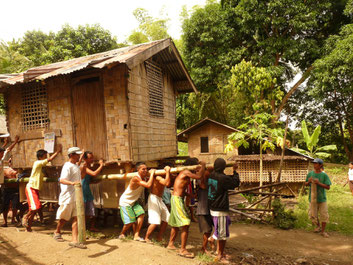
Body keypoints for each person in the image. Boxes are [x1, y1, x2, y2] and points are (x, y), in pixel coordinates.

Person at [167, 158, 205, 258]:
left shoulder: (185, 173)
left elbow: (180, 188)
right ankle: (182, 249)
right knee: (186, 224)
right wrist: (203, 165)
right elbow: (199, 176)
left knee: (175, 224)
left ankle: (170, 244)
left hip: (177, 198)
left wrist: (190, 195)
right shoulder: (186, 172)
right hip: (177, 199)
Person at [22, 145, 62, 231]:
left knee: (34, 209)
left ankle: (28, 227)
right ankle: (25, 217)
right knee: (36, 207)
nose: (46, 158)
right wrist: (58, 152)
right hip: (31, 188)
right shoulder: (37, 163)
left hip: (35, 189)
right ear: (40, 157)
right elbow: (50, 159)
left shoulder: (40, 167)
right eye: (44, 156)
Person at [208, 158, 240, 264]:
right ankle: (219, 255)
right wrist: (235, 171)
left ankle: (216, 244)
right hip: (220, 209)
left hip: (213, 207)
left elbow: (227, 179)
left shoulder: (212, 175)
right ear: (223, 167)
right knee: (222, 235)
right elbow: (235, 183)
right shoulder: (223, 178)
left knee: (222, 229)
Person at [54, 147, 87, 249]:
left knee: (76, 217)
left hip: (76, 195)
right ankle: (57, 231)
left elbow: (77, 164)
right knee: (64, 218)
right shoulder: (67, 166)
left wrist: (82, 155)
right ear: (72, 155)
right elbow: (62, 180)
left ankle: (74, 240)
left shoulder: (75, 165)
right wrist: (72, 183)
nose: (78, 156)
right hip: (68, 196)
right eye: (77, 155)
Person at [119, 162, 155, 242]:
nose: (145, 171)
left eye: (146, 169)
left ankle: (136, 235)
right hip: (126, 202)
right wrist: (152, 174)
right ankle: (122, 234)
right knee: (130, 222)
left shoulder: (144, 178)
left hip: (133, 201)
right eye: (143, 169)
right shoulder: (136, 178)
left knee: (141, 213)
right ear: (138, 170)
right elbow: (148, 185)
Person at [305, 158, 331, 238]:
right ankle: (318, 226)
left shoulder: (324, 175)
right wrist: (308, 182)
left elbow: (328, 187)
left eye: (316, 163)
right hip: (312, 199)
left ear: (320, 165)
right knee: (313, 215)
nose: (314, 165)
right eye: (314, 163)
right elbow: (305, 184)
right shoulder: (310, 174)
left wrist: (319, 183)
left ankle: (323, 231)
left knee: (324, 215)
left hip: (322, 199)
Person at [144, 165, 171, 243]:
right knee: (155, 220)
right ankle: (146, 237)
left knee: (167, 218)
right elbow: (167, 183)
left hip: (159, 199)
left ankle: (159, 236)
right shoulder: (158, 177)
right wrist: (168, 172)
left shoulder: (161, 176)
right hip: (154, 198)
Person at [81, 151, 104, 232]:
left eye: (92, 157)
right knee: (83, 211)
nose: (92, 159)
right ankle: (82, 228)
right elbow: (94, 174)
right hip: (82, 191)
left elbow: (87, 179)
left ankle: (91, 227)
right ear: (84, 159)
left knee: (92, 210)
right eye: (90, 158)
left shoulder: (88, 166)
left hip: (87, 190)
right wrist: (101, 165)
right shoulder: (83, 167)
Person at [0, 135, 20, 227]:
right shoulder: (4, 165)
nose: (2, 154)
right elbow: (6, 150)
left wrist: (15, 142)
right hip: (4, 187)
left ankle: (9, 221)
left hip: (5, 187)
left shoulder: (1, 161)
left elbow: (7, 150)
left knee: (7, 204)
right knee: (4, 204)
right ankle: (5, 221)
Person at [196, 167, 214, 253]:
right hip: (203, 210)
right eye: (209, 171)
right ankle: (203, 248)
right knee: (207, 231)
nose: (210, 173)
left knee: (210, 230)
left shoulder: (210, 181)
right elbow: (202, 185)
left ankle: (205, 246)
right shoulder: (200, 180)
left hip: (209, 209)